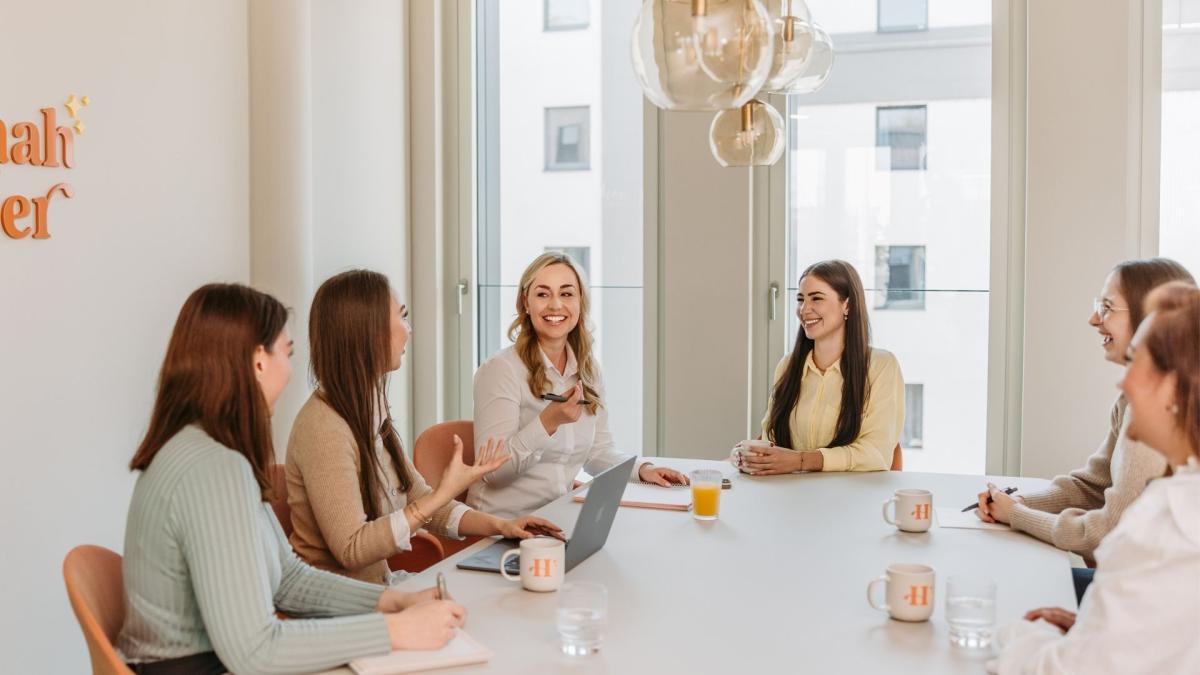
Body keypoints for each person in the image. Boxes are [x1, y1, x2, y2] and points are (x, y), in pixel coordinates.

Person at [118, 284, 465, 675]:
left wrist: (391, 602)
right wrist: (395, 630)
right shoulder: (214, 469)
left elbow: (288, 580)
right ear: (259, 362)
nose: (291, 367)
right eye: (288, 352)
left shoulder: (206, 451)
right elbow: (254, 652)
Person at [286, 270, 563, 585]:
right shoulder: (324, 428)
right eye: (402, 318)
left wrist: (502, 526)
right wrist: (444, 492)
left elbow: (421, 499)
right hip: (342, 604)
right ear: (369, 332)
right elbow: (352, 549)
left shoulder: (370, 409)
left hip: (380, 588)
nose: (409, 330)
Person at [992, 281, 1200, 674]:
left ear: (1172, 387)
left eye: (1137, 361)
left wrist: (1019, 636)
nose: (1124, 381)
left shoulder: (1164, 523)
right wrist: (1095, 633)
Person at [976, 258, 1191, 601]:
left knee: (1012, 589)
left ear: (1150, 318)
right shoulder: (1131, 400)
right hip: (1144, 587)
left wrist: (1017, 515)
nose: (1094, 319)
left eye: (1107, 308)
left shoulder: (1156, 416)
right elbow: (1092, 485)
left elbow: (1107, 529)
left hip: (1156, 599)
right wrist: (1013, 503)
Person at [470, 252, 687, 519]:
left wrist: (643, 470)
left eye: (567, 293)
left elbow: (599, 452)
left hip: (557, 518)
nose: (555, 305)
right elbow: (492, 473)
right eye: (542, 294)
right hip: (499, 526)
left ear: (580, 302)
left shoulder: (588, 369)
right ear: (526, 303)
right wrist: (547, 422)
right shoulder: (501, 370)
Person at [742, 259, 904, 474]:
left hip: (853, 500)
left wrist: (801, 461)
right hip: (790, 496)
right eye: (800, 300)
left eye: (816, 298)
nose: (804, 309)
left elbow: (876, 453)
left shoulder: (881, 366)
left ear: (847, 304)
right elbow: (770, 437)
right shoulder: (788, 366)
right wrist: (751, 455)